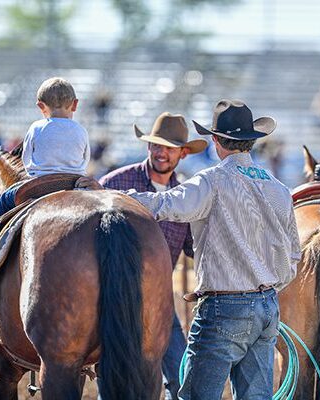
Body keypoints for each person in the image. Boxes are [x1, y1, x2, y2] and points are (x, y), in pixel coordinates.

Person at [78, 99, 301, 399]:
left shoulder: (213, 181)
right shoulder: (278, 188)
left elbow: (165, 204)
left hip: (224, 307)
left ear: (216, 141)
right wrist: (265, 288)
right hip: (266, 305)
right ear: (250, 141)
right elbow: (293, 255)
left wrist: (111, 196)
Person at [97, 112, 207, 399]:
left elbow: (195, 249)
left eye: (169, 147)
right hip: (113, 297)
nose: (161, 153)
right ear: (148, 147)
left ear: (183, 154)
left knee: (183, 377)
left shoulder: (185, 197)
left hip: (159, 301)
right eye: (156, 145)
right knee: (113, 376)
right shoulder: (114, 183)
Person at [0, 77, 90, 252]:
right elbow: (85, 158)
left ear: (40, 106)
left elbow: (27, 158)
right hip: (76, 184)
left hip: (40, 185)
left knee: (6, 198)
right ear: (75, 105)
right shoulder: (81, 130)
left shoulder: (36, 127)